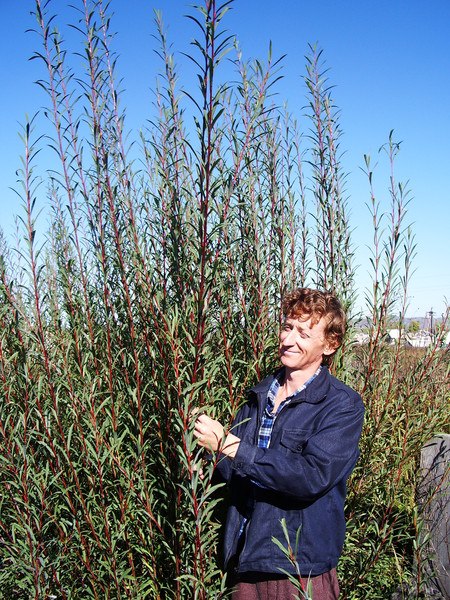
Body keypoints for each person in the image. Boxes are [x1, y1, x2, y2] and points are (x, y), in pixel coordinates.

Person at [194, 288, 364, 599]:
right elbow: (236, 474)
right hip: (245, 565)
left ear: (330, 344)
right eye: (287, 327)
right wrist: (203, 452)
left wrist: (229, 446)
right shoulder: (258, 396)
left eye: (303, 332)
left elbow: (310, 476)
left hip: (298, 569)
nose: (287, 340)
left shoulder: (342, 405)